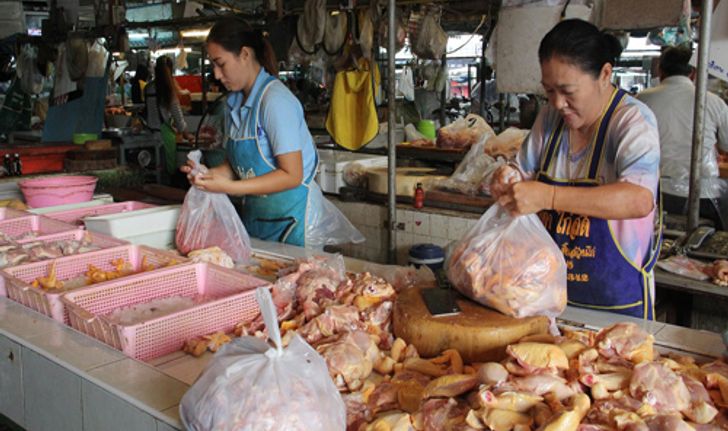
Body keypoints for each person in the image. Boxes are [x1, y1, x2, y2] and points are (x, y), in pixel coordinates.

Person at [491, 19, 661, 320]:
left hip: (615, 310)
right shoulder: (551, 119)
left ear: (604, 75)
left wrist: (549, 197)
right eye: (548, 91)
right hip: (545, 297)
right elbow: (522, 169)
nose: (558, 103)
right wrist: (508, 178)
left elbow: (638, 199)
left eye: (568, 91)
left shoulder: (632, 122)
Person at [181, 17, 361, 248]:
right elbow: (239, 165)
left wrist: (228, 188)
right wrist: (208, 175)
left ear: (244, 54)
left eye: (220, 63)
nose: (216, 74)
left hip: (294, 223)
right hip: (258, 219)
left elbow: (291, 174)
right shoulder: (234, 103)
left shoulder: (274, 101)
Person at [637, 46, 728, 230]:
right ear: (694, 72)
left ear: (660, 71)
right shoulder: (713, 102)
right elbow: (726, 146)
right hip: (705, 195)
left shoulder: (641, 100)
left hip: (655, 192)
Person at [145, 55, 194, 175]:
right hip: (164, 136)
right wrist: (188, 135)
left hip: (149, 133)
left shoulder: (148, 88)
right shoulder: (168, 89)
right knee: (167, 172)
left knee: (153, 170)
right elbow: (178, 117)